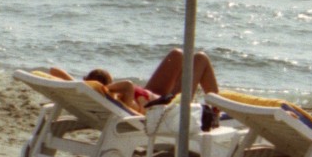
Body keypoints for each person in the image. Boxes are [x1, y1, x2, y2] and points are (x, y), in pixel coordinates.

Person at [57, 49, 220, 115]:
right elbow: (127, 85)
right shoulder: (118, 97)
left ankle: (213, 106)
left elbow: (54, 71)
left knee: (177, 55)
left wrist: (80, 84)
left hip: (151, 95)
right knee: (200, 58)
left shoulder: (96, 93)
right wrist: (105, 88)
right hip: (167, 107)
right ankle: (216, 113)